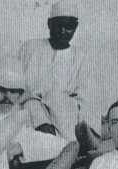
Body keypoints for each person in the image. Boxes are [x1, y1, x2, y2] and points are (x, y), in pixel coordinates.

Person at [17, 0, 86, 139]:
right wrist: (40, 119)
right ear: (49, 24)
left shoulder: (80, 57)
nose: (62, 31)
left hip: (64, 115)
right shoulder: (29, 48)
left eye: (68, 27)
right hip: (29, 110)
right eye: (58, 26)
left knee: (58, 102)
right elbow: (16, 86)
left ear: (76, 27)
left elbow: (82, 99)